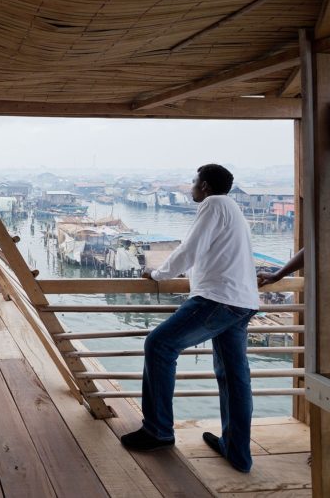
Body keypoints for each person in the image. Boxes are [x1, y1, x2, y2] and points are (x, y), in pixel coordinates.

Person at [120, 164, 259, 474]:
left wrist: (158, 274)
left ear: (205, 186)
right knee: (234, 377)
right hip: (242, 301)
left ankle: (158, 430)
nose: (192, 187)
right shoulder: (233, 209)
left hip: (218, 299)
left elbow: (190, 248)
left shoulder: (213, 204)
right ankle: (237, 452)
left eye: (194, 182)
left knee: (159, 345)